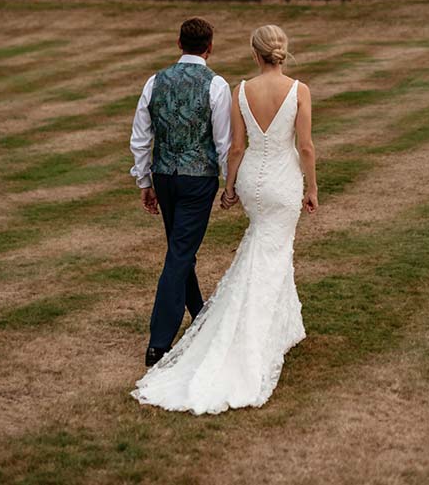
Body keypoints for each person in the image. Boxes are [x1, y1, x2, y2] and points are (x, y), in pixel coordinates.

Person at [132, 24, 318, 415]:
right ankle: (179, 340)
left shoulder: (219, 87)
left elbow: (230, 147)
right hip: (249, 181)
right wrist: (309, 187)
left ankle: (214, 318)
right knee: (197, 253)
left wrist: (229, 186)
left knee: (191, 251)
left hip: (205, 178)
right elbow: (288, 145)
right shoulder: (260, 88)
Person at [129, 18, 232, 370]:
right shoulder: (216, 84)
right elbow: (224, 141)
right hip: (197, 179)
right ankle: (159, 342)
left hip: (164, 176)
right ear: (210, 46)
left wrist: (145, 181)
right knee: (179, 254)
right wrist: (228, 182)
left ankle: (199, 315)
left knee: (180, 250)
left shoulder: (155, 80)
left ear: (179, 43)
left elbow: (141, 136)